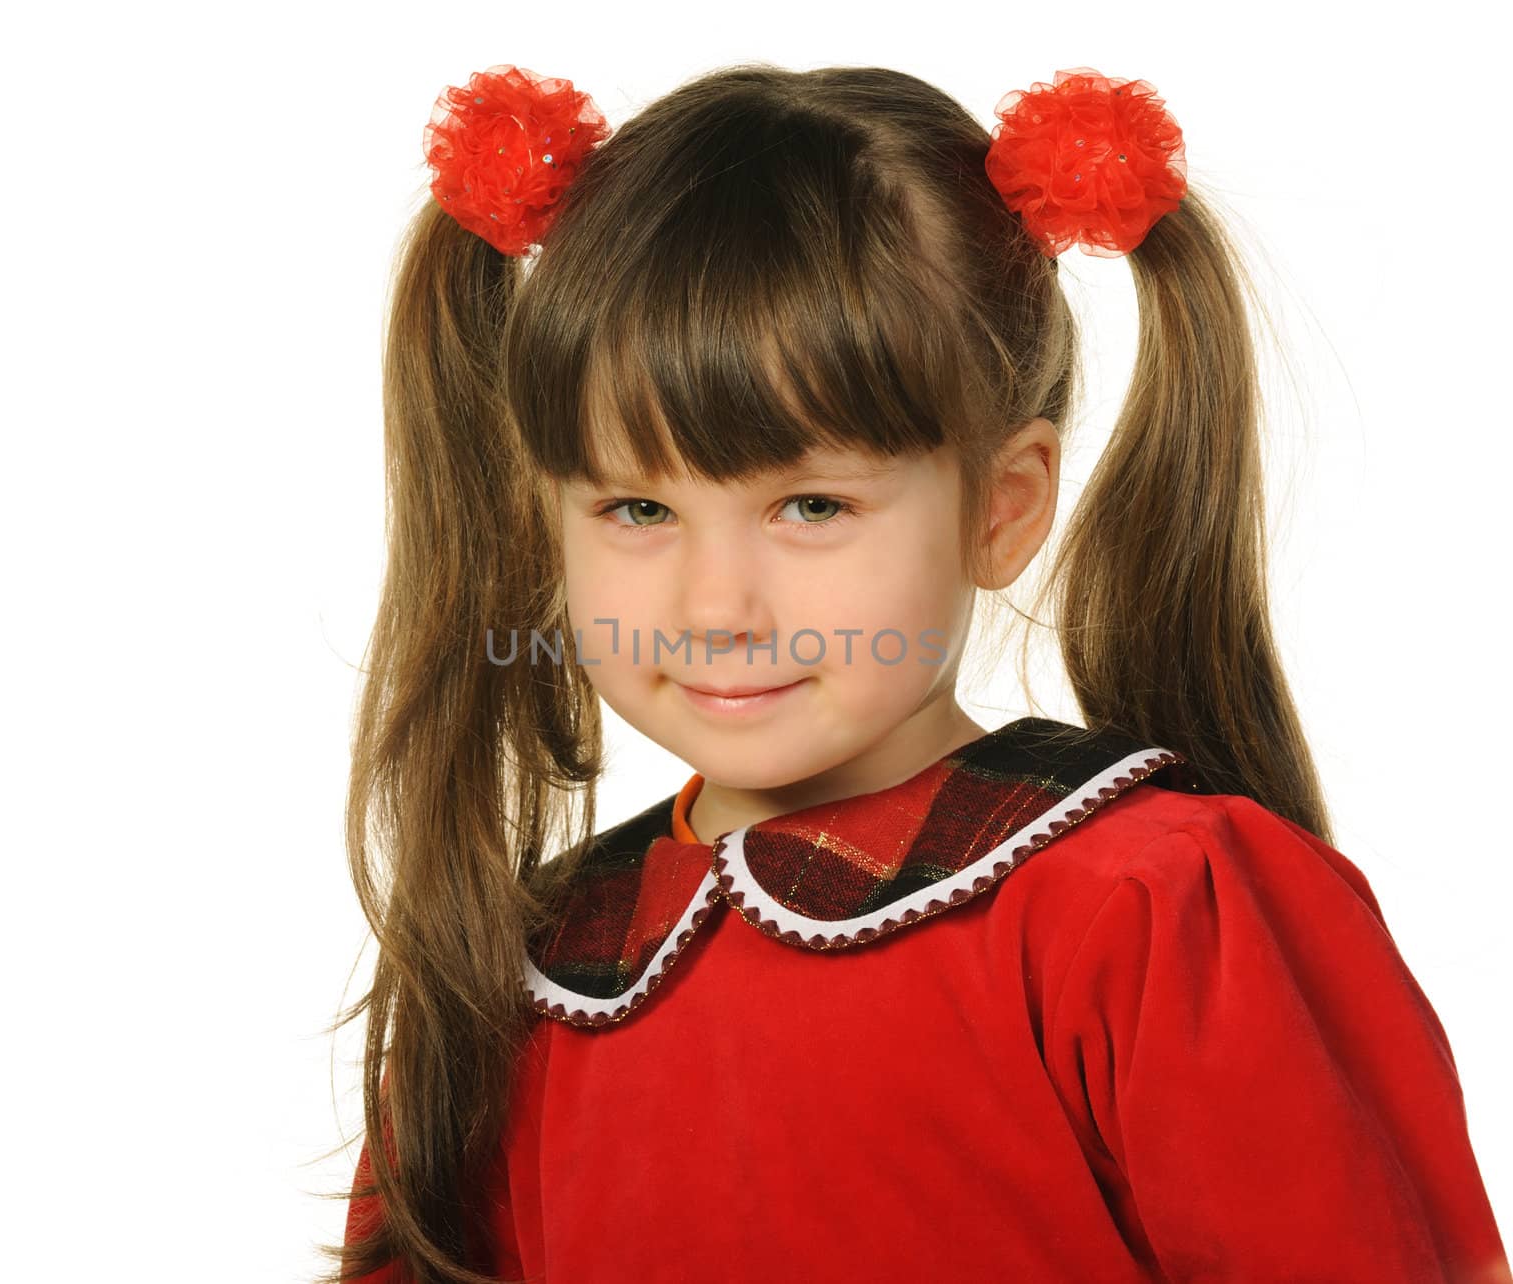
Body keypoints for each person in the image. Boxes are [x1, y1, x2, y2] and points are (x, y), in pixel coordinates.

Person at [321, 61, 1512, 1283]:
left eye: (813, 504)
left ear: (1001, 508)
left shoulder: (1144, 909)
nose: (713, 608)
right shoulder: (522, 970)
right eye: (636, 507)